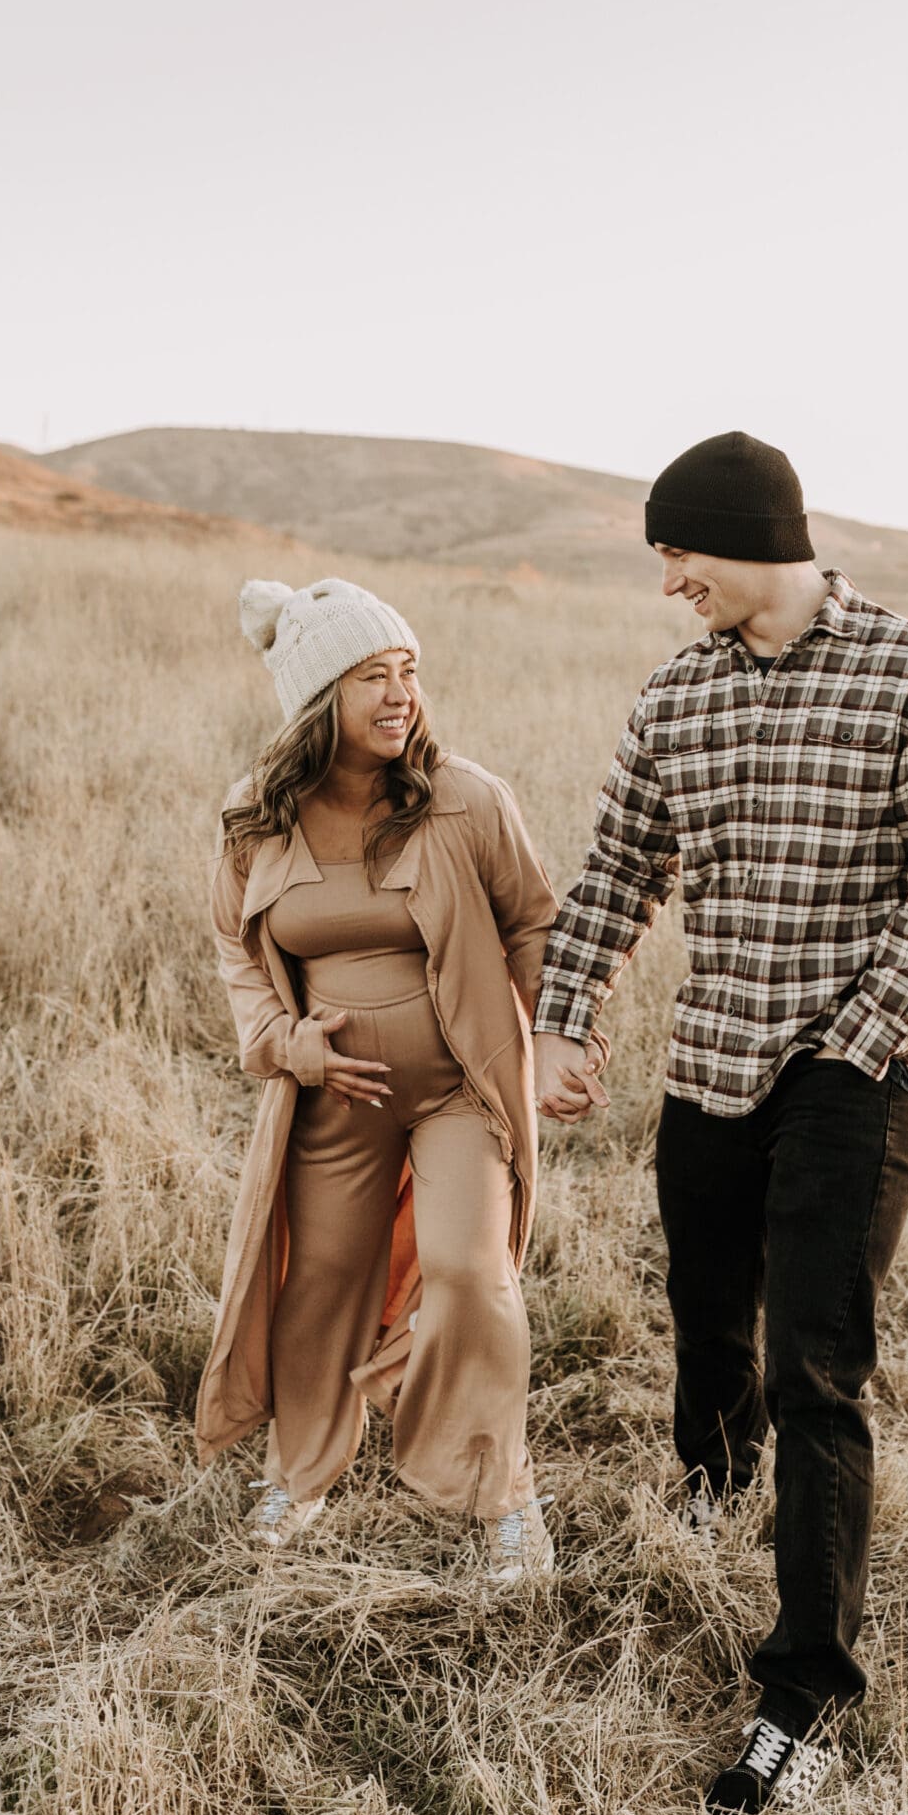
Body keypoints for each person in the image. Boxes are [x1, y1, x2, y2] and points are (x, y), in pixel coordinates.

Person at [531, 433, 908, 1815]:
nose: (667, 582)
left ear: (744, 538)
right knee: (701, 1318)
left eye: (676, 554)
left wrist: (855, 1057)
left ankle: (799, 1692)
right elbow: (620, 862)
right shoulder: (673, 697)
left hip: (849, 1072)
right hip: (710, 1063)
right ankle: (710, 1485)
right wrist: (566, 1016)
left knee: (817, 1372)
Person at [194, 573, 565, 1583]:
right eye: (372, 676)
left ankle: (505, 1498)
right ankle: (301, 1471)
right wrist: (285, 1040)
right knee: (319, 1287)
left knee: (469, 1272)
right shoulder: (255, 819)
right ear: (320, 701)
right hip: (333, 1099)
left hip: (460, 1088)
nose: (401, 692)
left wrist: (549, 1038)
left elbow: (532, 917)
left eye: (408, 671)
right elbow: (236, 949)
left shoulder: (467, 799)